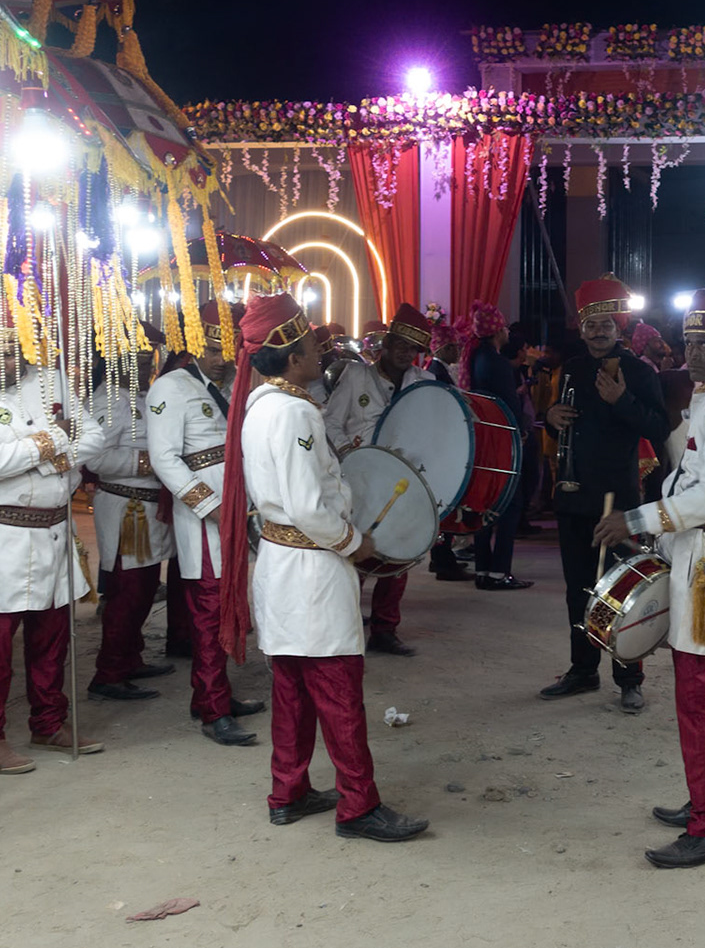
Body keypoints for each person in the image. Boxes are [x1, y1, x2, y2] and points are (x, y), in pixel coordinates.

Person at [218, 293, 428, 843]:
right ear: (291, 355)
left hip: (282, 568)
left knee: (292, 690)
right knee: (338, 694)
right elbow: (311, 507)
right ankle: (359, 806)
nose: (322, 350)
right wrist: (356, 543)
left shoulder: (261, 404)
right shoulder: (295, 412)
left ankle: (288, 791)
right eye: (312, 343)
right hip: (312, 571)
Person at [593, 285, 705, 868]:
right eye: (689, 342)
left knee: (702, 690)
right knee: (697, 687)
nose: (690, 354)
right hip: (692, 546)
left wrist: (636, 520)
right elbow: (686, 475)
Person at [0, 285, 106, 774]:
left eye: (9, 351)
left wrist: (53, 458)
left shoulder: (52, 381)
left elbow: (93, 435)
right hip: (3, 535)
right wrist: (53, 442)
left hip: (54, 531)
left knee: (51, 638)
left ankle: (49, 722)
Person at [540, 278, 668, 711]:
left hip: (619, 500)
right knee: (578, 588)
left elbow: (658, 427)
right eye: (590, 324)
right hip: (574, 493)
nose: (598, 332)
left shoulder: (638, 371)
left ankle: (629, 675)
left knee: (621, 588)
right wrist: (550, 416)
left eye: (606, 324)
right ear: (581, 328)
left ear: (619, 327)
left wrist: (621, 400)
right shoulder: (572, 367)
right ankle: (582, 670)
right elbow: (560, 417)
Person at [148, 301, 261, 747]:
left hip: (239, 511)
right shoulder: (170, 389)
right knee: (210, 613)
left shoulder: (237, 383)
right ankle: (213, 711)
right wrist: (209, 505)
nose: (220, 359)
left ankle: (214, 696)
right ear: (195, 345)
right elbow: (164, 458)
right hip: (205, 518)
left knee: (230, 605)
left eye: (226, 350)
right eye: (211, 350)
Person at [324, 301, 449, 648]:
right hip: (359, 478)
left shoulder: (424, 381)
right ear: (386, 343)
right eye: (399, 345)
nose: (405, 353)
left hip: (402, 479)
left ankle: (385, 629)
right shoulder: (356, 375)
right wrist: (351, 451)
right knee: (356, 549)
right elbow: (331, 421)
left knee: (400, 551)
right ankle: (344, 625)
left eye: (412, 348)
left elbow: (435, 430)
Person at [86, 325, 179, 704]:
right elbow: (94, 458)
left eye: (148, 361)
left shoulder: (142, 396)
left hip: (146, 506)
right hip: (128, 510)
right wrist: (147, 461)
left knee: (141, 590)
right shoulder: (108, 400)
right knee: (129, 592)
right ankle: (108, 673)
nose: (143, 368)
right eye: (136, 361)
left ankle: (130, 658)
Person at [466, 303, 532, 590]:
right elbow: (510, 405)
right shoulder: (496, 362)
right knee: (510, 502)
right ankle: (499, 571)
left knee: (483, 502)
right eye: (503, 327)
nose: (507, 332)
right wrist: (523, 431)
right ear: (496, 332)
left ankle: (483, 569)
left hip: (482, 437)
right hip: (501, 439)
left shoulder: (476, 357)